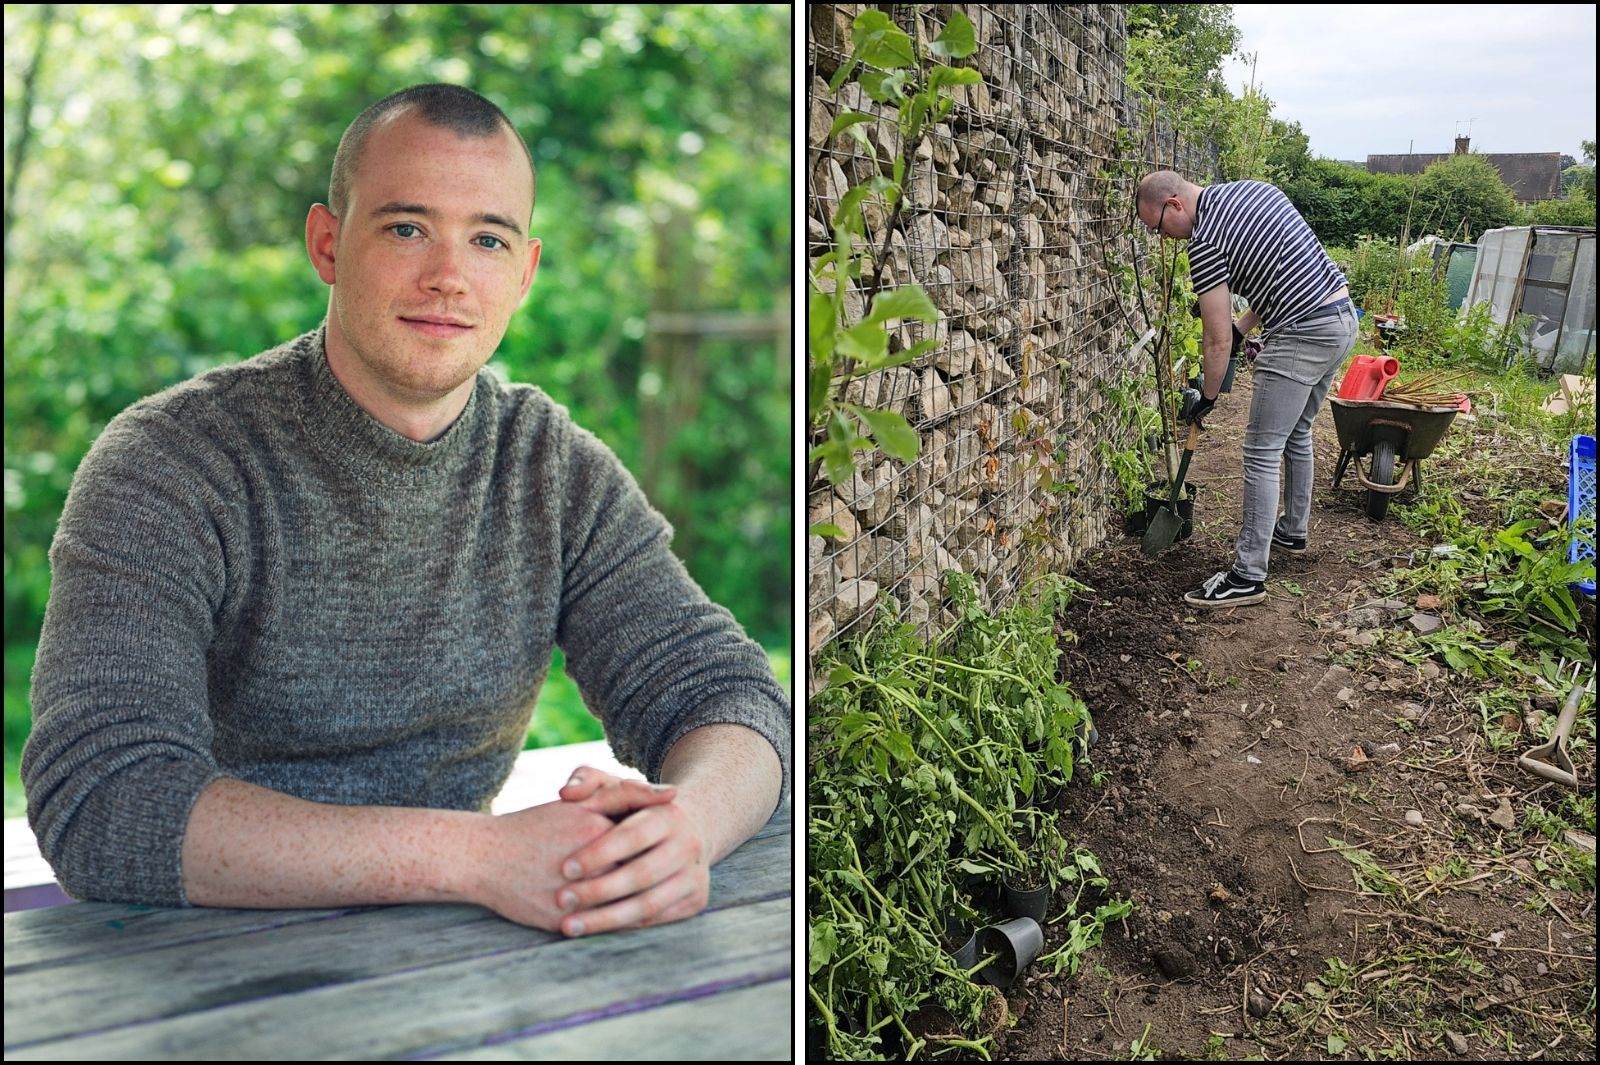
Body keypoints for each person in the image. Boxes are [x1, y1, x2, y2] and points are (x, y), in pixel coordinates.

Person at [22, 83, 790, 940]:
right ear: (327, 243)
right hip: (194, 958)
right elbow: (101, 797)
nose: (448, 277)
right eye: (405, 228)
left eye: (488, 239)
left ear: (525, 272)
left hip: (460, 958)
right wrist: (477, 856)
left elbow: (730, 696)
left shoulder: (549, 467)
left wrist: (680, 828)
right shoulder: (171, 464)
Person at [1134, 170, 1358, 609]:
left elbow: (1215, 340)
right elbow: (1279, 273)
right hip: (1339, 319)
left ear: (1175, 204)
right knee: (1297, 433)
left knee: (1261, 449)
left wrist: (1209, 396)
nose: (1162, 238)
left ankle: (1247, 575)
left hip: (1303, 333)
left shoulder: (1204, 242)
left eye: (1158, 228)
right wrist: (1243, 329)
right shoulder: (1252, 191)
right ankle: (1292, 530)